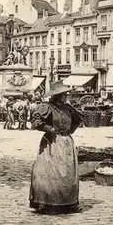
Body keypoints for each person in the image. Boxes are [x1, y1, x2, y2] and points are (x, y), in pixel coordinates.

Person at [29, 80, 84, 214]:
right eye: (64, 94)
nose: (66, 96)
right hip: (52, 143)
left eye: (66, 94)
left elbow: (78, 119)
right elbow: (36, 121)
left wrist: (69, 131)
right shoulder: (47, 107)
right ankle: (49, 202)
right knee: (50, 173)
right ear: (57, 95)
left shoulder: (68, 108)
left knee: (67, 173)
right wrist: (50, 129)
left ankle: (67, 203)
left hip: (66, 142)